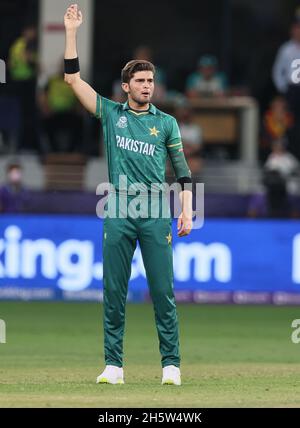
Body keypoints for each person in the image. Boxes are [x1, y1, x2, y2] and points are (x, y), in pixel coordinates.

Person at [64, 4, 193, 386]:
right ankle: (113, 367)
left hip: (155, 210)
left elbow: (183, 174)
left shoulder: (166, 123)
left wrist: (187, 211)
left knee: (163, 292)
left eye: (150, 80)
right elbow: (73, 81)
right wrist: (71, 32)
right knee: (114, 292)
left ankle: (171, 366)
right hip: (118, 208)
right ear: (126, 86)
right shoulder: (110, 113)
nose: (147, 86)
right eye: (140, 81)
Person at [38, 60, 83, 152]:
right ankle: (53, 151)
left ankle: (71, 151)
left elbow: (81, 96)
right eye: (63, 66)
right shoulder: (52, 80)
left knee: (80, 123)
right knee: (44, 123)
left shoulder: (75, 81)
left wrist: (79, 108)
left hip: (70, 113)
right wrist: (45, 108)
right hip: (53, 113)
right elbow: (43, 95)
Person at [272, 11, 300, 159]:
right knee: (290, 125)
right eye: (297, 28)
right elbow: (277, 72)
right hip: (292, 91)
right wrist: (284, 90)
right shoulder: (286, 49)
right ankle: (292, 156)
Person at [8, 26, 39, 151]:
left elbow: (9, 63)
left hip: (18, 82)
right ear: (26, 32)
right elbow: (29, 60)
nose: (34, 34)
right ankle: (24, 144)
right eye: (32, 31)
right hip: (25, 83)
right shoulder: (25, 45)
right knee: (26, 115)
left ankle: (21, 143)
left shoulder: (16, 45)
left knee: (22, 114)